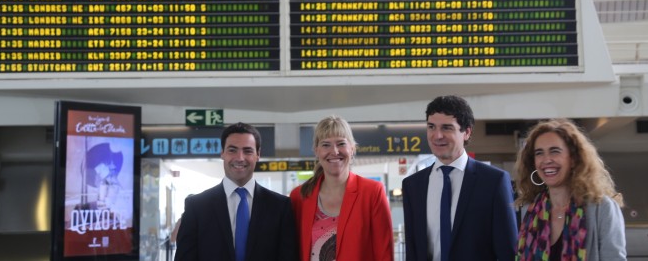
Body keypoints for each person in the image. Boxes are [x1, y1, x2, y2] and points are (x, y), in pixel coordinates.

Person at [402, 95, 517, 261]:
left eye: (447, 128)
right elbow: (412, 251)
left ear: (467, 132)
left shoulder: (494, 182)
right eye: (431, 127)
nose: (437, 135)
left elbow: (508, 252)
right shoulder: (413, 185)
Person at [174, 123, 297, 261]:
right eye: (232, 150)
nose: (240, 158)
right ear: (222, 153)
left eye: (248, 151)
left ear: (258, 154)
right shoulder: (197, 207)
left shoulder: (280, 206)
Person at [514, 118, 626, 261]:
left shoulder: (602, 208)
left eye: (555, 151)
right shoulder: (530, 210)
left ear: (573, 159)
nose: (546, 160)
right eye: (539, 153)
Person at [290, 115, 394, 261]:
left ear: (352, 148)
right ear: (316, 151)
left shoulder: (372, 192)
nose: (335, 151)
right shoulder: (299, 196)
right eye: (326, 145)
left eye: (341, 143)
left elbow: (384, 254)